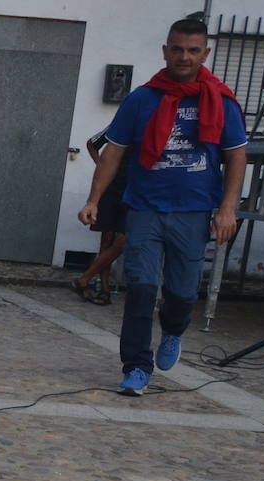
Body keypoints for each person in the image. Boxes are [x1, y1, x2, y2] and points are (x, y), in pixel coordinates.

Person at [79, 18, 247, 396]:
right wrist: (94, 200)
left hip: (193, 211)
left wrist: (227, 208)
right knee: (140, 288)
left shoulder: (221, 101)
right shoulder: (142, 99)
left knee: (181, 293)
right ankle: (137, 367)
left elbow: (236, 155)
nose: (184, 57)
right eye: (177, 49)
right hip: (145, 208)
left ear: (205, 53)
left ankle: (173, 330)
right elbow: (113, 153)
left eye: (193, 50)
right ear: (165, 51)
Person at [70, 126, 130, 305]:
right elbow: (92, 144)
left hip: (134, 191)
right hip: (110, 189)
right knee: (107, 239)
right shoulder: (121, 124)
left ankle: (84, 279)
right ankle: (105, 290)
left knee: (123, 240)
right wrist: (103, 168)